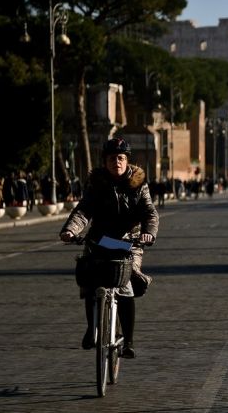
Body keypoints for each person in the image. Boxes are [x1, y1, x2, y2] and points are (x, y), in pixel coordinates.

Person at [60, 138, 159, 358]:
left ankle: (129, 341)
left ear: (127, 161)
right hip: (101, 240)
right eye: (113, 158)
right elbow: (83, 211)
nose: (117, 162)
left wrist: (148, 233)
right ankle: (91, 328)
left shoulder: (138, 184)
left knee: (125, 287)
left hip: (129, 242)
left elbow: (149, 213)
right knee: (88, 276)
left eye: (121, 158)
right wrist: (70, 230)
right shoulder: (96, 183)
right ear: (105, 161)